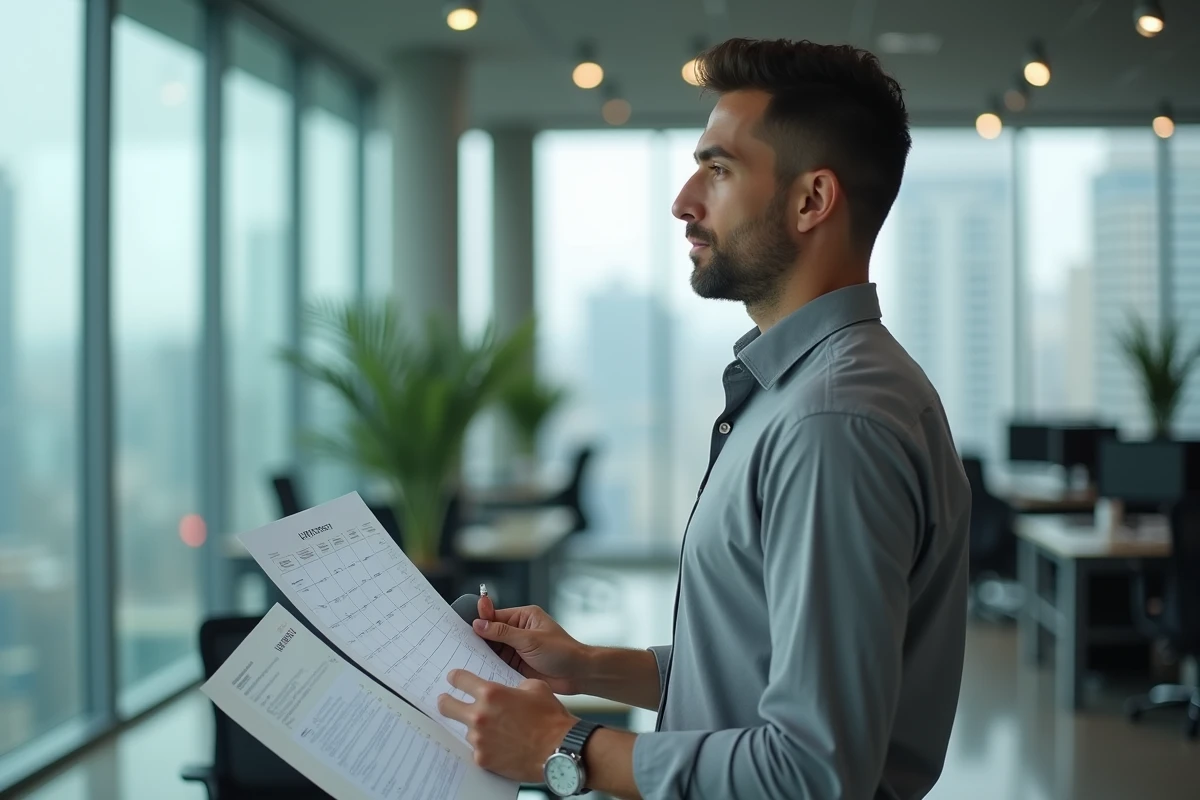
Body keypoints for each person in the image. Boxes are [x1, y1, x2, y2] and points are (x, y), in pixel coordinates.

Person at [437, 37, 971, 799]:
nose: (685, 200)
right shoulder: (803, 393)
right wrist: (587, 665)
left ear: (811, 200)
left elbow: (811, 774)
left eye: (718, 169)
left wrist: (566, 747)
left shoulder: (831, 423)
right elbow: (750, 668)